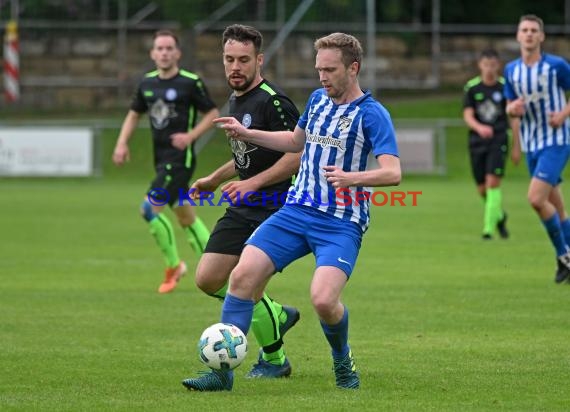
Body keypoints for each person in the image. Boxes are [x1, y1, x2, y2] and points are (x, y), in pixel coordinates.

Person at [184, 32, 401, 391]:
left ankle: (342, 361)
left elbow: (393, 172)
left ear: (354, 68)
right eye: (319, 69)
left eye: (330, 70)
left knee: (323, 300)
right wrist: (245, 133)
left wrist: (353, 177)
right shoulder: (317, 100)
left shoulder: (372, 114)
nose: (322, 77)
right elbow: (294, 142)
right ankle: (222, 375)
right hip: (296, 211)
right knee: (241, 278)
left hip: (340, 223)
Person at [178, 24, 301, 389]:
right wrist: (215, 178)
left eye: (244, 60)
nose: (235, 66)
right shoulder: (236, 99)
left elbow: (297, 153)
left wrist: (252, 184)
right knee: (207, 279)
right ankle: (276, 315)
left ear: (259, 60)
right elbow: (248, 155)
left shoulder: (273, 101)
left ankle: (270, 361)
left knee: (244, 282)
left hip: (273, 206)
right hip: (242, 206)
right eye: (229, 59)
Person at [112, 30, 220, 293]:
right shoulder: (147, 83)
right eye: (159, 48)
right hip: (162, 160)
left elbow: (213, 113)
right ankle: (219, 264)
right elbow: (134, 114)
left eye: (169, 48)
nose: (164, 53)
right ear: (152, 53)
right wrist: (121, 143)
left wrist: (190, 136)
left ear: (177, 53)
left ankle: (174, 265)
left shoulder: (190, 82)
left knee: (149, 209)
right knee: (186, 217)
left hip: (180, 161)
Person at [504, 14, 570, 283]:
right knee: (558, 207)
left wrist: (564, 114)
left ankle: (563, 255)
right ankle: (567, 258)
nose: (529, 34)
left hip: (556, 141)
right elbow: (509, 106)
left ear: (541, 36)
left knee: (535, 199)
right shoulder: (511, 70)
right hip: (532, 144)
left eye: (534, 30)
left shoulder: (556, 66)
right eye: (525, 30)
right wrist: (512, 109)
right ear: (518, 36)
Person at [462, 48, 510, 240]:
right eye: (486, 64)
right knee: (482, 189)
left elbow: (513, 117)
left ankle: (488, 230)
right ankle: (499, 215)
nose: (489, 69)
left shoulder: (505, 87)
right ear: (480, 65)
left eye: (493, 65)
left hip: (498, 140)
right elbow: (467, 115)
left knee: (492, 184)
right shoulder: (472, 88)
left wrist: (516, 145)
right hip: (477, 142)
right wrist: (479, 127)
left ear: (498, 65)